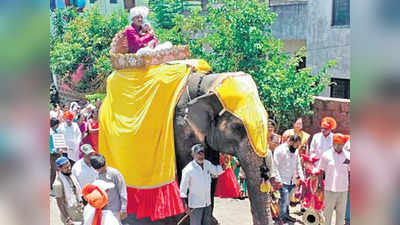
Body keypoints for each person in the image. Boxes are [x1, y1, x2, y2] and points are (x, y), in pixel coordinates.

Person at [180, 144, 224, 225]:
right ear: (193, 155)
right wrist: (185, 205)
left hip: (207, 204)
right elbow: (183, 190)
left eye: (202, 153)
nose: (201, 156)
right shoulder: (188, 170)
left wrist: (225, 166)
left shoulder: (207, 164)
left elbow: (216, 171)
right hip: (195, 206)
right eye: (198, 153)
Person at [318, 133, 350, 225]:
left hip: (343, 190)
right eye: (338, 143)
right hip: (329, 189)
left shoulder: (348, 155)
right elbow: (321, 171)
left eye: (342, 144)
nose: (340, 146)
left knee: (341, 215)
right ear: (333, 143)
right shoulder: (326, 155)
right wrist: (320, 185)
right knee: (327, 214)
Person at [273, 135, 305, 224]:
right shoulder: (280, 150)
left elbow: (298, 164)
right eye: (296, 145)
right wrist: (278, 180)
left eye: (298, 145)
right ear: (290, 142)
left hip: (292, 180)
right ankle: (281, 218)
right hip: (283, 180)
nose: (297, 147)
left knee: (288, 200)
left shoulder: (296, 151)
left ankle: (286, 216)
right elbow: (275, 166)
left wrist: (301, 177)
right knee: (283, 199)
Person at [90, 154, 128, 222]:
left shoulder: (114, 174)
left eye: (103, 166)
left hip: (114, 209)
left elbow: (122, 190)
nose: (103, 169)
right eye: (100, 168)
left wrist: (124, 208)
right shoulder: (94, 175)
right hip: (101, 210)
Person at [53, 156, 84, 225]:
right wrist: (67, 219)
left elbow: (76, 190)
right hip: (70, 213)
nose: (69, 168)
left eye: (69, 166)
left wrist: (81, 202)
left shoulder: (70, 175)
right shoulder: (58, 184)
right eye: (66, 168)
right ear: (59, 168)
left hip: (78, 210)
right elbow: (60, 203)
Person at [50, 118, 63, 191]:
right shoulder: (50, 133)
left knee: (56, 170)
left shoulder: (56, 131)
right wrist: (56, 150)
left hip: (57, 153)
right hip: (52, 154)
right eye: (58, 124)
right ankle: (51, 186)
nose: (58, 125)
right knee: (53, 170)